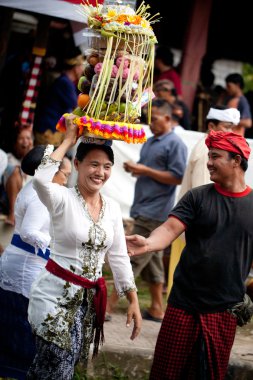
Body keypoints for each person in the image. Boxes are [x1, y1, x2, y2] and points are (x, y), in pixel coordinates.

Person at [126, 130, 253, 379]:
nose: (209, 162)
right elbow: (170, 228)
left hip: (224, 309)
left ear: (236, 160)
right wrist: (149, 243)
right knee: (166, 373)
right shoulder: (198, 197)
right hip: (184, 304)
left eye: (215, 156)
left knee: (209, 375)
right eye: (209, 156)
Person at [27, 115, 142, 379]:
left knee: (54, 369)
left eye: (107, 166)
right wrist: (69, 139)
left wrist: (133, 300)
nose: (100, 172)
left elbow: (119, 256)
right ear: (77, 164)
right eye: (93, 164)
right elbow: (40, 180)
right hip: (52, 299)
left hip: (86, 306)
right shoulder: (61, 198)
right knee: (57, 361)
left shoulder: (112, 208)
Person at [107, 98, 187, 322]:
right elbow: (150, 171)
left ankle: (107, 307)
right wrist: (137, 170)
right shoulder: (152, 141)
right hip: (144, 205)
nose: (150, 123)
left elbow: (177, 176)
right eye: (148, 119)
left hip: (156, 210)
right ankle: (157, 308)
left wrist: (144, 170)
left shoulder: (175, 144)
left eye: (155, 119)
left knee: (131, 258)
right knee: (153, 263)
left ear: (168, 119)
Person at [0, 145, 71, 379]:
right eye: (64, 172)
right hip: (25, 265)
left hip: (23, 261)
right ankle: (19, 371)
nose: (66, 177)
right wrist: (56, 243)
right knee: (23, 319)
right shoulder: (40, 196)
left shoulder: (34, 188)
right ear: (50, 171)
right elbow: (30, 231)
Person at [178, 106, 240, 199]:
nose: (231, 132)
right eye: (227, 127)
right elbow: (201, 194)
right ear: (211, 126)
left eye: (232, 128)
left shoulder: (212, 149)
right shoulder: (207, 151)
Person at [33, 48, 84, 146]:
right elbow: (77, 107)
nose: (82, 69)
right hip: (48, 130)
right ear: (75, 67)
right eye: (81, 66)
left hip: (51, 128)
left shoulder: (67, 81)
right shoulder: (65, 82)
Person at [3, 124, 34, 225]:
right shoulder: (7, 158)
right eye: (21, 138)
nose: (25, 141)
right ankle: (12, 214)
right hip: (7, 201)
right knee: (15, 171)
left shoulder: (37, 162)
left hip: (27, 206)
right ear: (15, 143)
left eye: (28, 138)